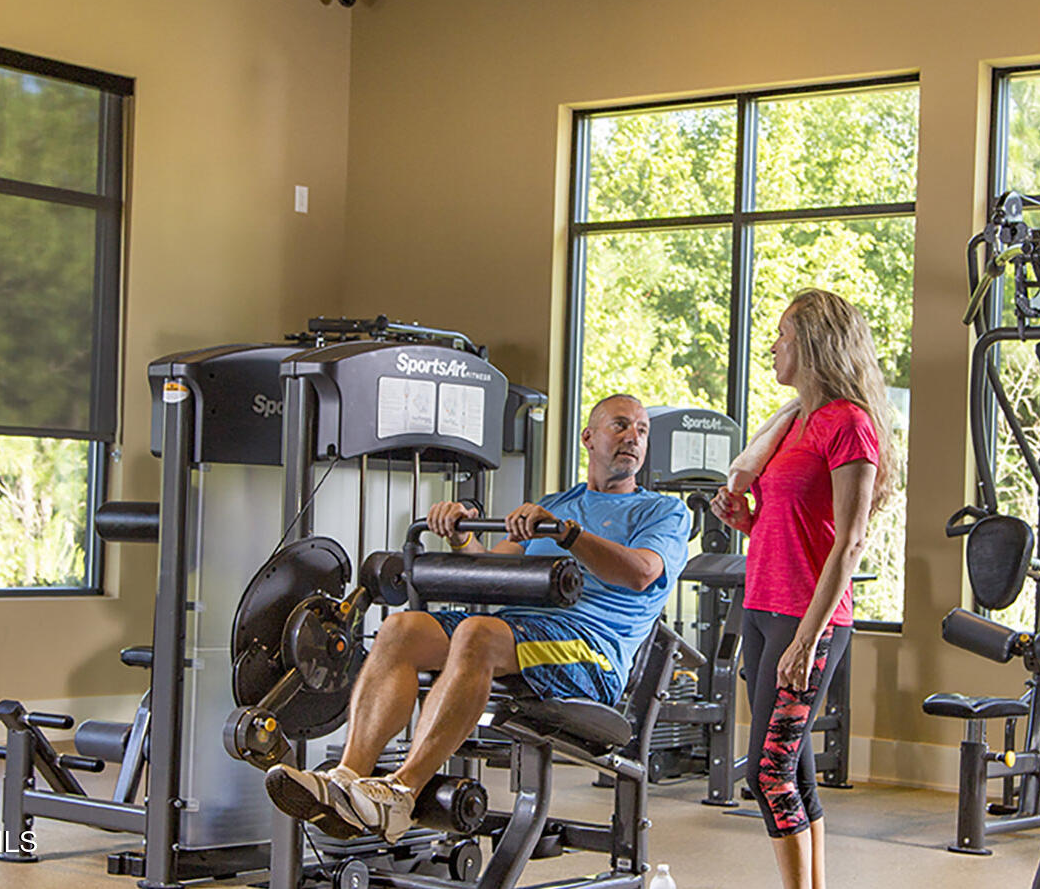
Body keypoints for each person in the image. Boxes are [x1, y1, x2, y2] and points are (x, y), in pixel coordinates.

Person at [263, 394, 691, 843]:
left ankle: (400, 795)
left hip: (590, 651)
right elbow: (493, 569)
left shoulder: (662, 512)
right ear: (588, 438)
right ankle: (347, 781)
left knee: (477, 633)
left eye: (642, 430)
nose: (633, 437)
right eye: (620, 425)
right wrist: (459, 534)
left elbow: (642, 572)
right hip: (517, 633)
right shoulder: (555, 503)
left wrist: (570, 535)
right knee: (401, 629)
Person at [711, 289, 900, 889]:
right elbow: (793, 525)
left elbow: (850, 541)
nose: (773, 346)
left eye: (783, 335)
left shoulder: (849, 425)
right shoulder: (792, 424)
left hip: (806, 619)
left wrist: (807, 640)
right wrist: (744, 519)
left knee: (768, 775)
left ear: (814, 344)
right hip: (762, 608)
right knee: (794, 773)